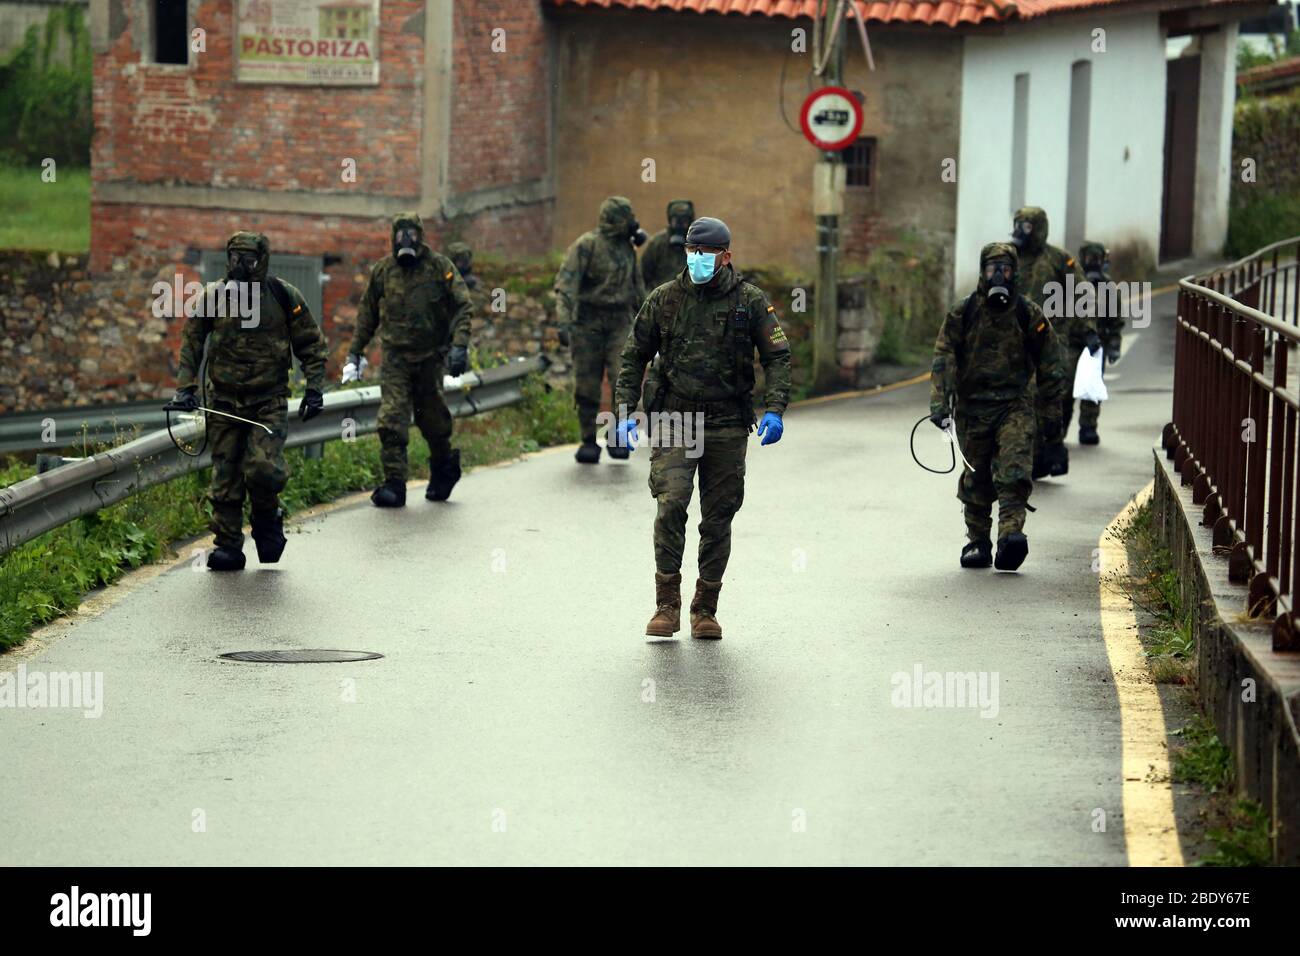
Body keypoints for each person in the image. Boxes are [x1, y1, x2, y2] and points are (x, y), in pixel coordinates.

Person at [613, 216, 791, 639]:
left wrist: (775, 409)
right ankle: (666, 605)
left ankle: (705, 608)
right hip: (675, 418)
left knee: (718, 517)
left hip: (728, 423)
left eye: (706, 254)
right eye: (692, 252)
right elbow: (633, 355)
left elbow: (777, 356)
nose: (697, 260)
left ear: (726, 256)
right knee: (671, 505)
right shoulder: (665, 299)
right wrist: (624, 410)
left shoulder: (749, 302)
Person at [167, 231, 328, 571]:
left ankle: (267, 519)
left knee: (262, 469)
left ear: (262, 260)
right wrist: (186, 389)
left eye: (248, 260)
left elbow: (311, 344)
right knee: (225, 473)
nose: (240, 267)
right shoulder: (213, 297)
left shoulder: (283, 295)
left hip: (268, 402)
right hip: (224, 401)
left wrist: (314, 388)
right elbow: (193, 341)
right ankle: (227, 545)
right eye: (235, 259)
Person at [929, 242, 1065, 572]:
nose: (999, 275)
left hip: (1015, 405)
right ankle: (977, 541)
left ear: (1014, 273)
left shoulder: (1028, 314)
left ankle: (1010, 537)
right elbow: (944, 356)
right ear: (982, 272)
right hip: (972, 408)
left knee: (1015, 469)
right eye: (992, 269)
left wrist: (1051, 419)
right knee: (976, 477)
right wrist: (939, 402)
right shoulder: (963, 313)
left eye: (1005, 269)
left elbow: (1051, 364)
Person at [344, 212, 474, 507]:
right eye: (401, 233)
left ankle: (443, 470)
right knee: (391, 419)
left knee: (433, 421)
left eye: (411, 233)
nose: (406, 239)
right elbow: (367, 313)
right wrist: (356, 349)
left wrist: (459, 346)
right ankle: (394, 483)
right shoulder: (383, 271)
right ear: (393, 237)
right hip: (395, 359)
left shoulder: (441, 267)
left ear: (421, 235)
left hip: (430, 358)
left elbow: (462, 306)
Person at [554, 196, 646, 463]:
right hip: (588, 323)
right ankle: (587, 440)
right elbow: (566, 285)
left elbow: (637, 288)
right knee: (587, 384)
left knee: (623, 380)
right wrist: (563, 321)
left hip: (619, 322)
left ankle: (616, 438)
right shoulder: (586, 246)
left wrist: (648, 324)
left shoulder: (627, 249)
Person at [1008, 206, 1093, 478]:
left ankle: (1051, 448)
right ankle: (1030, 457)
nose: (1023, 231)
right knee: (1022, 398)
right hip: (1015, 341)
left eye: (1028, 226)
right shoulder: (1007, 258)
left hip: (1054, 340)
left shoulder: (1059, 260)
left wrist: (1088, 328)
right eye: (1019, 224)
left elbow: (1083, 294)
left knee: (1055, 396)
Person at [1073, 240, 1124, 445]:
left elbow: (1116, 321)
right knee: (1062, 389)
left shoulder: (1109, 289)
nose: (1093, 263)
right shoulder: (1071, 285)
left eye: (1097, 259)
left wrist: (1113, 346)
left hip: (1096, 345)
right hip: (1072, 343)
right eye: (1089, 259)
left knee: (1092, 388)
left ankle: (1088, 427)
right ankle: (1055, 432)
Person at [640, 199, 695, 291]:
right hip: (660, 300)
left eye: (684, 221)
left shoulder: (697, 245)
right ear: (670, 220)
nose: (680, 226)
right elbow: (642, 275)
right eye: (676, 221)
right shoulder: (657, 244)